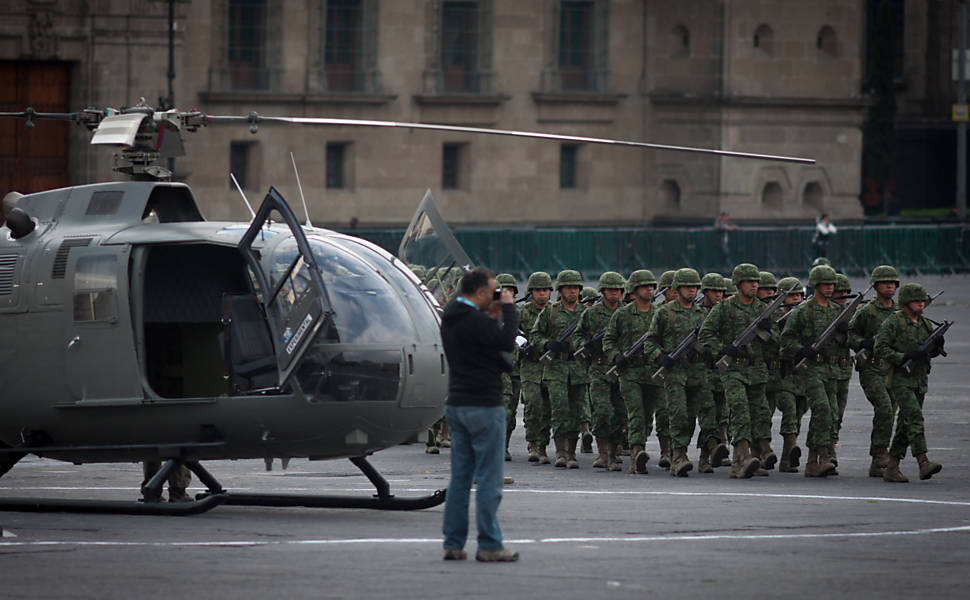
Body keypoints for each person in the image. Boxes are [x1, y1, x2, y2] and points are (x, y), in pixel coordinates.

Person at [440, 267, 519, 562]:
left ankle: (453, 541)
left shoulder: (451, 317)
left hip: (457, 403)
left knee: (460, 478)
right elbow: (505, 342)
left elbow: (479, 344)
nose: (496, 295)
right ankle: (489, 543)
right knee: (489, 478)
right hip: (484, 404)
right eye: (493, 290)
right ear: (482, 292)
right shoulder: (475, 320)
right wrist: (508, 310)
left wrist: (492, 317)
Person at [644, 268, 713, 476]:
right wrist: (659, 356)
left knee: (691, 416)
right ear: (677, 288)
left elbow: (710, 340)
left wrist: (704, 351)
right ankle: (678, 456)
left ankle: (681, 452)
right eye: (687, 287)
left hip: (696, 372)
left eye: (694, 287)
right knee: (678, 413)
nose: (691, 291)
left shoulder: (702, 313)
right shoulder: (665, 312)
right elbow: (650, 341)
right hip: (675, 372)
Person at [875, 283, 945, 483]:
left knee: (905, 426)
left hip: (919, 380)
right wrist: (903, 356)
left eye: (922, 301)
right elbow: (880, 348)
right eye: (916, 301)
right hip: (901, 380)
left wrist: (936, 347)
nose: (921, 304)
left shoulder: (924, 323)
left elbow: (927, 352)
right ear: (906, 302)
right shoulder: (893, 322)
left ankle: (892, 467)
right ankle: (923, 462)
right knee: (914, 418)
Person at [779, 265, 840, 477]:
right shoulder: (802, 311)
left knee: (828, 413)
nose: (830, 287)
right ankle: (820, 457)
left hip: (831, 370)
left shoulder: (836, 311)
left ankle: (814, 460)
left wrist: (844, 334)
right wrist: (801, 349)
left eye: (832, 284)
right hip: (810, 370)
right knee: (822, 408)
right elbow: (786, 341)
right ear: (815, 285)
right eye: (826, 284)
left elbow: (844, 343)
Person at [603, 269, 661, 474]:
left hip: (653, 373)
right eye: (645, 286)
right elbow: (608, 340)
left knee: (647, 416)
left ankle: (640, 446)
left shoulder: (659, 313)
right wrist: (615, 355)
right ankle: (637, 453)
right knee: (635, 413)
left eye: (652, 286)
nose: (650, 289)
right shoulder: (622, 314)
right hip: (630, 373)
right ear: (634, 290)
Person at [531, 270, 588, 469]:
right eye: (568, 287)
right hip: (556, 368)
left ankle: (571, 452)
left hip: (578, 368)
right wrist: (548, 344)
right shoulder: (551, 311)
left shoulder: (585, 312)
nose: (572, 291)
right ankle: (561, 453)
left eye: (575, 287)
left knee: (576, 411)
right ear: (560, 290)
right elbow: (535, 335)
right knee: (559, 409)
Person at [848, 265, 900, 477]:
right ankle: (880, 454)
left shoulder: (900, 313)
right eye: (885, 281)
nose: (890, 285)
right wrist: (864, 343)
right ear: (875, 285)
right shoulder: (866, 311)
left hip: (893, 370)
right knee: (885, 408)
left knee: (891, 411)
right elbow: (849, 335)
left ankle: (879, 460)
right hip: (871, 368)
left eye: (893, 282)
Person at [575, 271, 626, 471]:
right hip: (598, 367)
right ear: (603, 291)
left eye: (617, 290)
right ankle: (603, 453)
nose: (614, 293)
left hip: (622, 368)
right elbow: (578, 337)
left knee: (620, 414)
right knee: (603, 411)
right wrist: (586, 343)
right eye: (610, 290)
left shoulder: (628, 312)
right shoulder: (591, 313)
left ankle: (614, 454)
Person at [520, 272, 554, 464]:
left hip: (549, 365)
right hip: (530, 365)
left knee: (548, 407)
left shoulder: (554, 312)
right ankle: (532, 443)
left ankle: (542, 445)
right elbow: (511, 334)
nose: (542, 294)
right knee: (533, 404)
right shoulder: (522, 313)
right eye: (538, 290)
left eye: (545, 290)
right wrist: (522, 346)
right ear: (531, 292)